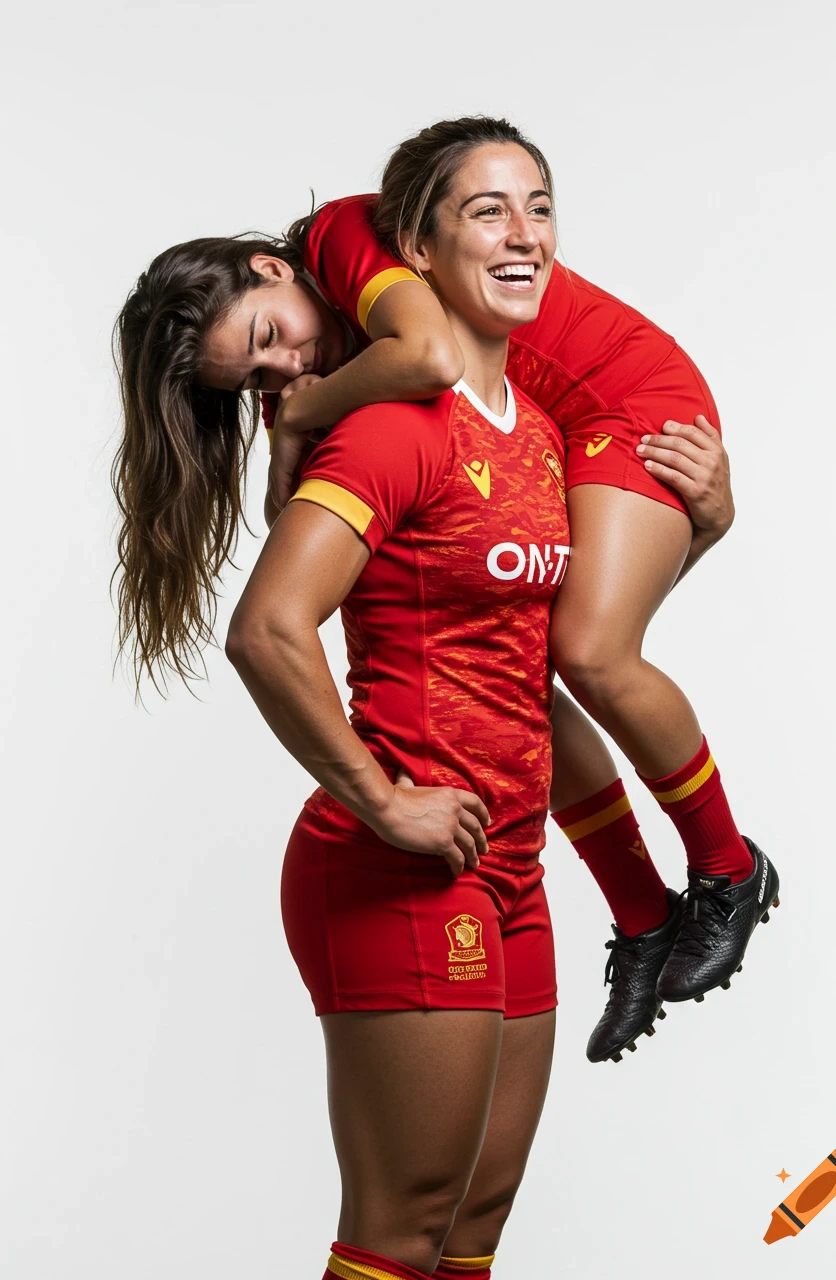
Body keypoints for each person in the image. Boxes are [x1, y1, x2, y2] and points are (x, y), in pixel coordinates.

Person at [114, 119, 779, 1074]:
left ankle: (727, 869)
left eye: (271, 340)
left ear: (275, 264)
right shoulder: (315, 359)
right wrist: (291, 421)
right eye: (254, 379)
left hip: (630, 406)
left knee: (590, 652)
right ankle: (643, 917)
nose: (284, 371)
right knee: (526, 673)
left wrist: (301, 410)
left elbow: (428, 359)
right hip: (558, 431)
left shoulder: (342, 238)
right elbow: (296, 520)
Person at [224, 130, 569, 1280]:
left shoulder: (540, 430)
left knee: (470, 1230)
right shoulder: (384, 426)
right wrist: (383, 802)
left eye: (539, 207)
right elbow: (268, 627)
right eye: (486, 212)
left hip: (512, 858)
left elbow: (548, 643)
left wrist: (704, 520)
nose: (520, 235)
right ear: (415, 248)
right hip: (404, 866)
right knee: (401, 1227)